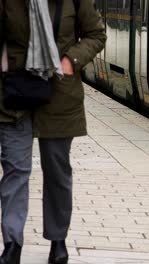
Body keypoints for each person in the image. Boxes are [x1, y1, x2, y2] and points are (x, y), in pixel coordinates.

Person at [1, 0, 106, 263]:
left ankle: (58, 240)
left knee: (57, 170)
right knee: (15, 168)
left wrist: (71, 60)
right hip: (14, 92)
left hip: (59, 93)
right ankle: (12, 243)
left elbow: (96, 34)